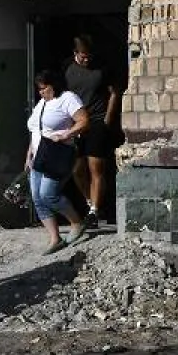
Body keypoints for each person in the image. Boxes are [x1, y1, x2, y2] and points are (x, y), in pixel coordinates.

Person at [26, 68, 90, 254]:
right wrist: (29, 153)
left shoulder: (67, 98)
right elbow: (36, 130)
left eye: (44, 88)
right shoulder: (41, 104)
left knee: (48, 194)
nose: (41, 92)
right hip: (39, 156)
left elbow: (84, 121)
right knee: (37, 198)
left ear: (54, 86)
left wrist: (66, 134)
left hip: (56, 153)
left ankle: (76, 222)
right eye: (39, 89)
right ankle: (55, 238)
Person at [64, 35, 121, 228]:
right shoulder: (67, 68)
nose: (87, 60)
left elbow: (114, 92)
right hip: (77, 122)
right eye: (83, 57)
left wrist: (107, 120)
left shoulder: (101, 68)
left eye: (89, 56)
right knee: (76, 169)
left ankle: (94, 211)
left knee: (95, 168)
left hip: (97, 122)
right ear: (75, 54)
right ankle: (90, 203)